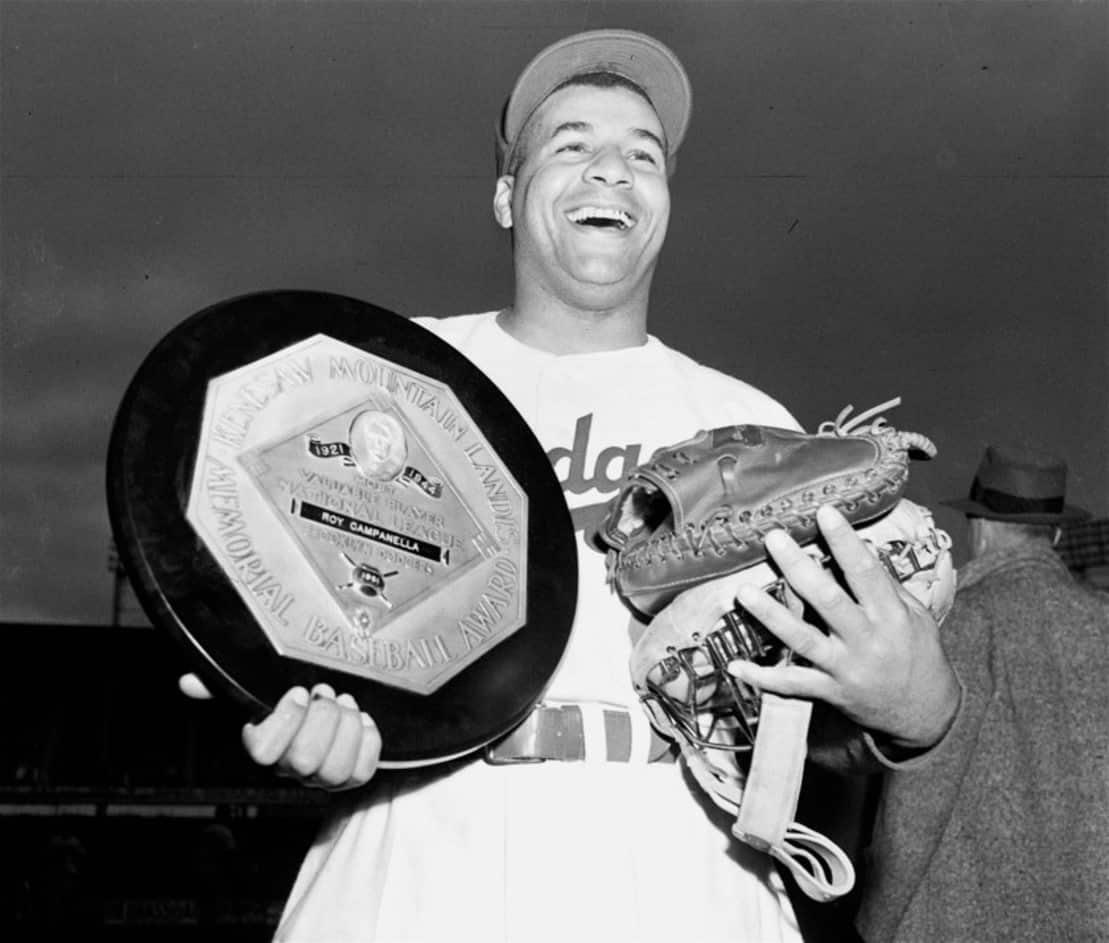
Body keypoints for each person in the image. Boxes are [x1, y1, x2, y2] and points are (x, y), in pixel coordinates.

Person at [182, 29, 961, 942]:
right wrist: (297, 707)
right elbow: (287, 598)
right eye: (571, 145)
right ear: (509, 197)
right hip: (420, 842)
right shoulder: (390, 381)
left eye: (643, 155)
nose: (611, 170)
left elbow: (803, 717)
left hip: (685, 861)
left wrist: (914, 710)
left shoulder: (748, 423)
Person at [855, 445, 1109, 943]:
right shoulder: (1103, 621)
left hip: (967, 922)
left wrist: (876, 919)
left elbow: (916, 808)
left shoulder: (955, 624)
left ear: (981, 528)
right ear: (1054, 533)